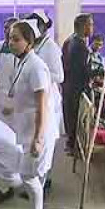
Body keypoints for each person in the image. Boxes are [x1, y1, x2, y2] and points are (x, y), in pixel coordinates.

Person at [5, 20, 58, 209]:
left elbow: (42, 105)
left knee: (28, 175)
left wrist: (38, 138)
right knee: (33, 174)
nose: (11, 43)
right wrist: (12, 109)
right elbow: (25, 96)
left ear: (29, 42)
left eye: (16, 39)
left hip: (38, 130)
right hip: (28, 129)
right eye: (10, 38)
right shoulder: (23, 62)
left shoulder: (36, 67)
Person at [24, 11, 63, 195]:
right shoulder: (34, 44)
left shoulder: (51, 48)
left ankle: (41, 184)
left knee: (45, 144)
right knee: (36, 144)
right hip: (35, 98)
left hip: (48, 99)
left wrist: (39, 75)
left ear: (43, 27)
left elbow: (60, 76)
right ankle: (38, 182)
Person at [62, 13, 94, 152]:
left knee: (70, 116)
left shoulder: (70, 40)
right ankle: (73, 146)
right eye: (90, 24)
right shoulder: (80, 46)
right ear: (82, 26)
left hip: (68, 85)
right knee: (75, 117)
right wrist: (95, 76)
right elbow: (82, 70)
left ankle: (71, 144)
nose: (92, 28)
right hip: (76, 87)